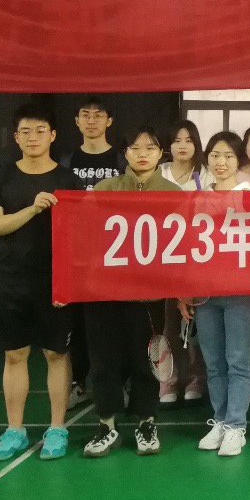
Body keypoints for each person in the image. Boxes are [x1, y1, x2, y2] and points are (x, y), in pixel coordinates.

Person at [0, 104, 84, 462]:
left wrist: (69, 282)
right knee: (14, 355)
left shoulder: (70, 181)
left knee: (56, 354)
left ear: (53, 135)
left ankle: (57, 428)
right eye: (25, 131)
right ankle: (15, 430)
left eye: (40, 130)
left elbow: (81, 237)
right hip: (11, 280)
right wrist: (33, 209)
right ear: (16, 137)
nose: (33, 137)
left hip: (55, 282)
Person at [81, 127, 180, 458]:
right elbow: (84, 235)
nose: (142, 153)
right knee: (104, 361)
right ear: (125, 153)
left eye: (150, 147)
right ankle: (106, 425)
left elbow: (182, 244)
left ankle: (146, 423)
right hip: (103, 293)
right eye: (135, 147)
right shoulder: (104, 189)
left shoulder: (172, 193)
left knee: (146, 360)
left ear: (160, 153)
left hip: (147, 294)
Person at [181, 131, 250, 457]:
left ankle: (236, 426)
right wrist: (184, 291)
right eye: (215, 154)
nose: (221, 161)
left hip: (240, 291)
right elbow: (185, 247)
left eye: (228, 155)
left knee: (238, 360)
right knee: (213, 363)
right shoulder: (195, 197)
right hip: (205, 294)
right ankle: (220, 419)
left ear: (238, 160)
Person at [62, 96, 125, 411]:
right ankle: (79, 383)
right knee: (78, 326)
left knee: (116, 324)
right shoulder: (66, 161)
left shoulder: (122, 160)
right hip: (78, 256)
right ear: (76, 121)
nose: (91, 120)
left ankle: (120, 383)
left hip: (115, 255)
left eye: (98, 115)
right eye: (85, 115)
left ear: (109, 121)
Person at [156, 120, 212, 405]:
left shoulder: (207, 173)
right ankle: (168, 381)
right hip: (163, 259)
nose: (182, 145)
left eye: (188, 140)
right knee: (168, 325)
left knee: (196, 322)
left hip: (199, 257)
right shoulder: (159, 172)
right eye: (177, 140)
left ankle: (195, 379)